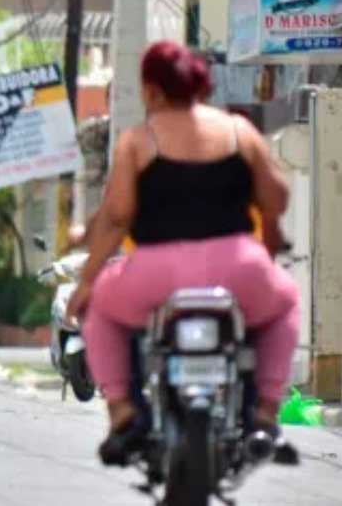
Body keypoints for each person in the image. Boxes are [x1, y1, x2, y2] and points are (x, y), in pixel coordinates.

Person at [66, 40, 299, 463]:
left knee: (100, 310)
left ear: (152, 91)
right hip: (238, 266)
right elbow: (277, 197)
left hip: (156, 272)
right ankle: (265, 415)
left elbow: (117, 218)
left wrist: (86, 283)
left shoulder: (139, 141)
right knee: (284, 307)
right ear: (202, 86)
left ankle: (122, 414)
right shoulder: (238, 132)